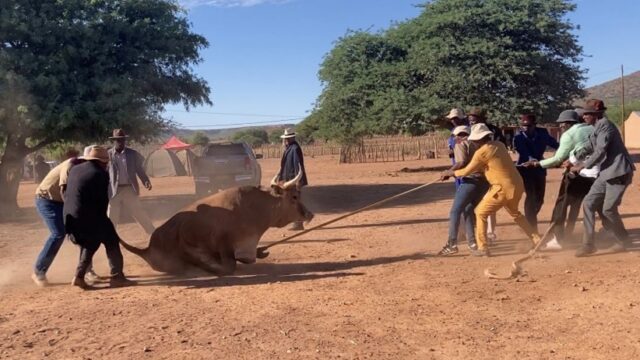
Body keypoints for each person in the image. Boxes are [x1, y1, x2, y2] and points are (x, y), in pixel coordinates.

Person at [441, 124, 541, 256]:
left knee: (480, 213)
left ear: (478, 140)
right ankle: (536, 239)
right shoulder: (499, 145)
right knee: (515, 214)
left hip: (501, 188)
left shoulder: (481, 152)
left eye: (474, 140)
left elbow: (467, 170)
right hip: (517, 185)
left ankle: (483, 248)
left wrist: (450, 173)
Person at [570, 99, 635, 257]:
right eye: (584, 114)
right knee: (589, 203)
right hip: (606, 173)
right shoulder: (596, 127)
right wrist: (573, 158)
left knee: (608, 210)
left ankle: (623, 240)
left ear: (596, 114)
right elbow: (590, 146)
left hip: (618, 172)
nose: (584, 116)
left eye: (587, 114)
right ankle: (588, 245)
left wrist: (583, 166)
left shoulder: (606, 125)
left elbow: (600, 151)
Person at [64, 146, 136, 289]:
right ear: (101, 162)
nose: (106, 165)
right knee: (111, 241)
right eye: (105, 162)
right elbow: (102, 202)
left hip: (70, 218)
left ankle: (79, 276)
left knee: (90, 244)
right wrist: (104, 224)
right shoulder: (99, 174)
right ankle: (117, 277)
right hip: (89, 217)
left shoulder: (75, 169)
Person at [523, 110, 595, 249]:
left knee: (561, 206)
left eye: (562, 124)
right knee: (576, 205)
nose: (561, 127)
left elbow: (558, 158)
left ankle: (558, 239)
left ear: (568, 123)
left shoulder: (569, 134)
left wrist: (537, 164)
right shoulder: (591, 128)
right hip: (594, 173)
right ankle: (569, 234)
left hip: (576, 173)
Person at [31, 149, 82, 286]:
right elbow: (64, 190)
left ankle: (85, 270)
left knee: (80, 232)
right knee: (59, 233)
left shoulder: (86, 168)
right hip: (46, 199)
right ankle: (39, 271)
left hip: (59, 201)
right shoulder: (70, 165)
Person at [438, 126, 489, 256]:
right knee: (468, 210)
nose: (455, 138)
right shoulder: (479, 144)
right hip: (484, 182)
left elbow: (461, 162)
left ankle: (452, 244)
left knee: (455, 211)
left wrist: (449, 172)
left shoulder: (461, 144)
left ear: (459, 135)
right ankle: (473, 242)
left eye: (456, 135)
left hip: (470, 181)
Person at [513, 114, 559, 231]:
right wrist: (531, 159)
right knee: (531, 196)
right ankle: (532, 228)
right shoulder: (518, 138)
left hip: (540, 169)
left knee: (540, 199)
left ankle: (529, 219)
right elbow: (523, 152)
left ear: (534, 125)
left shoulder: (543, 134)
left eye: (528, 126)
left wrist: (559, 156)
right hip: (525, 169)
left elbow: (557, 145)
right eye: (523, 126)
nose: (525, 128)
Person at [107, 129, 155, 235]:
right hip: (114, 190)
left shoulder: (132, 154)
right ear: (114, 141)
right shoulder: (108, 155)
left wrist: (145, 181)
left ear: (125, 140)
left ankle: (153, 233)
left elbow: (139, 169)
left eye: (122, 139)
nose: (120, 142)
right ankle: (110, 238)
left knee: (139, 212)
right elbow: (105, 173)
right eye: (118, 140)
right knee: (112, 215)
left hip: (129, 188)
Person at [467, 107, 503, 244]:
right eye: (470, 120)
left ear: (482, 119)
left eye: (474, 120)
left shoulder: (493, 131)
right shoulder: (468, 131)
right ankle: (476, 234)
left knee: (489, 201)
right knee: (473, 204)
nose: (471, 122)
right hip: (474, 173)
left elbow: (500, 147)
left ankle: (490, 233)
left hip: (491, 172)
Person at [277, 128, 308, 230]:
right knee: (292, 201)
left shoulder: (295, 148)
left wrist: (298, 181)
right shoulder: (289, 148)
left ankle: (298, 223)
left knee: (295, 202)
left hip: (293, 180)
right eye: (285, 139)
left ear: (292, 138)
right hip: (288, 180)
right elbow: (285, 165)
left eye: (287, 138)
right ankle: (300, 220)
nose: (285, 140)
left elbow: (298, 166)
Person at [446, 108, 469, 189]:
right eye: (452, 118)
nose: (453, 120)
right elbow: (451, 144)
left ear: (461, 118)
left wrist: (448, 172)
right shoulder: (453, 131)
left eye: (456, 118)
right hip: (456, 161)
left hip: (465, 164)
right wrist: (450, 150)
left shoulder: (467, 130)